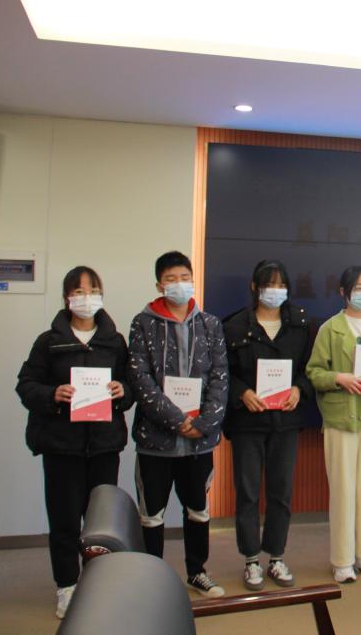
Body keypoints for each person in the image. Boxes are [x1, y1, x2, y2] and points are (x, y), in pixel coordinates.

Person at [16, 266, 133, 619]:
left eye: (93, 290)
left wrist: (122, 390)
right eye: (79, 291)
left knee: (101, 524)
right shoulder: (49, 342)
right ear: (67, 297)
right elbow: (26, 385)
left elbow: (130, 385)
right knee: (65, 521)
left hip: (104, 445)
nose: (86, 298)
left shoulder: (114, 341)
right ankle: (67, 585)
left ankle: (98, 584)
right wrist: (53, 393)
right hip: (61, 446)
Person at [128, 250, 229, 597]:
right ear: (159, 284)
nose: (179, 284)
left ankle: (197, 571)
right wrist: (177, 420)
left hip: (199, 440)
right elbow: (140, 379)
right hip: (156, 439)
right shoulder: (143, 323)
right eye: (171, 279)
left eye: (185, 278)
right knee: (151, 514)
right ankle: (151, 578)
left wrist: (203, 422)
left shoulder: (210, 324)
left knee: (198, 509)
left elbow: (220, 378)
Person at [223, 260, 313, 591]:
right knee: (247, 492)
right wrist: (242, 393)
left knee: (281, 491)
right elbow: (223, 373)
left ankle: (276, 556)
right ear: (254, 287)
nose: (275, 291)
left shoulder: (300, 324)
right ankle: (250, 560)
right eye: (268, 285)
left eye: (281, 285)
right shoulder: (234, 326)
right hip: (248, 421)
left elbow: (309, 369)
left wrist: (298, 389)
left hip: (285, 421)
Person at [306, 266, 361, 584]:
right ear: (344, 292)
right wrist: (339, 378)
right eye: (359, 288)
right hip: (341, 417)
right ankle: (342, 560)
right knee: (343, 489)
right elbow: (314, 372)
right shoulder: (330, 329)